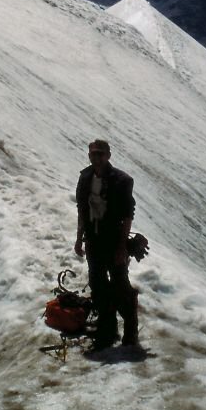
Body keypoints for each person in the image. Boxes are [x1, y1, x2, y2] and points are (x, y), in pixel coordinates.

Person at [74, 139, 139, 349]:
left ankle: (130, 333)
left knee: (120, 285)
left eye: (100, 154)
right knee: (98, 285)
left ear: (108, 156)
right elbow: (82, 210)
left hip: (113, 240)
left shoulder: (122, 181)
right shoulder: (85, 177)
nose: (96, 158)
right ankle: (108, 329)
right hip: (93, 239)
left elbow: (127, 216)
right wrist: (79, 237)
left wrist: (122, 247)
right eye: (93, 154)